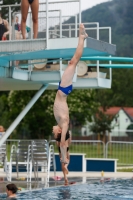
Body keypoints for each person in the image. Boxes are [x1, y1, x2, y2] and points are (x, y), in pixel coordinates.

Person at [53, 24, 88, 164]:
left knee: (72, 63)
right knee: (73, 62)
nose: (53, 131)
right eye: (54, 133)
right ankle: (81, 37)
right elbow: (63, 144)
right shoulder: (64, 123)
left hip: (63, 90)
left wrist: (65, 155)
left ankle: (82, 37)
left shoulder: (61, 124)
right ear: (60, 132)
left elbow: (64, 144)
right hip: (63, 90)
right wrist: (63, 158)